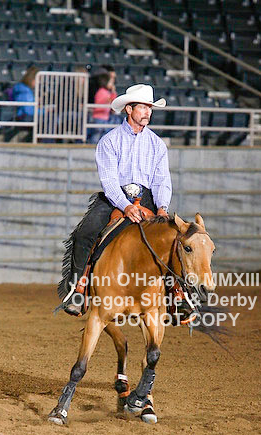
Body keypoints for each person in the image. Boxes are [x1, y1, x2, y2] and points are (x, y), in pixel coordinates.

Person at [58, 83, 171, 316]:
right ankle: (77, 290)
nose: (147, 112)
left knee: (175, 239)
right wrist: (126, 206)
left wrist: (162, 208)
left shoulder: (157, 144)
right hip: (115, 197)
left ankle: (178, 298)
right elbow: (109, 181)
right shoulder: (109, 141)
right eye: (143, 107)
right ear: (129, 109)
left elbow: (162, 180)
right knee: (84, 234)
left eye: (150, 108)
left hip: (147, 198)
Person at [87, 72, 117, 144]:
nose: (112, 84)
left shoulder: (107, 92)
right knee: (96, 134)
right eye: (110, 82)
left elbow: (113, 100)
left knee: (103, 134)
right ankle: (92, 146)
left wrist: (113, 92)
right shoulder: (101, 91)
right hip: (98, 117)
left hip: (105, 117)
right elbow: (101, 101)